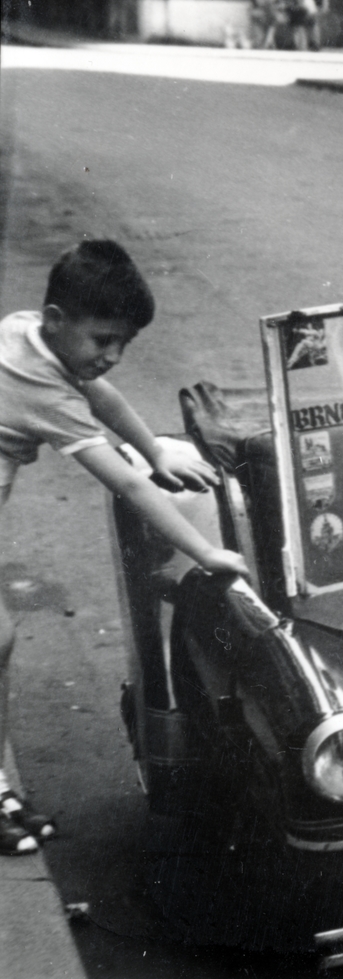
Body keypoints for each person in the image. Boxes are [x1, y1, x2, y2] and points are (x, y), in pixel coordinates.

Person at [0, 240, 249, 855]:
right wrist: (205, 550)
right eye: (102, 340)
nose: (110, 357)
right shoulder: (42, 388)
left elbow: (101, 397)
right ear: (58, 320)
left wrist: (157, 446)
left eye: (123, 346)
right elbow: (126, 481)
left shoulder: (28, 331)